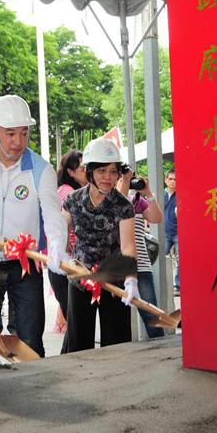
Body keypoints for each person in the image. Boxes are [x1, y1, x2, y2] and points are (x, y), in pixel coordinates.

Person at [0, 94, 69, 369]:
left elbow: (53, 215)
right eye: (10, 134)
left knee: (30, 338)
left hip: (25, 264)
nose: (18, 141)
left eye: (24, 133)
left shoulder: (41, 169)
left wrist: (56, 248)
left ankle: (34, 396)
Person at [62, 138, 139, 352]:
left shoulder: (124, 206)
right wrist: (60, 254)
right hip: (81, 279)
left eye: (114, 171)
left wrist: (131, 280)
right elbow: (60, 231)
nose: (108, 177)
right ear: (89, 172)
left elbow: (128, 246)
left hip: (114, 282)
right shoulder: (73, 200)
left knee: (117, 345)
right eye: (102, 170)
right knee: (78, 344)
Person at [118, 167, 165, 339]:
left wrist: (148, 193)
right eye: (123, 177)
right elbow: (118, 204)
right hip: (118, 269)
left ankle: (161, 352)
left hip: (142, 266)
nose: (127, 180)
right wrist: (124, 181)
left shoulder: (138, 201)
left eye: (130, 178)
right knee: (118, 320)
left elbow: (157, 218)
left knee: (151, 316)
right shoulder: (111, 201)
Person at [53, 150, 87, 343]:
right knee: (75, 322)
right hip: (68, 264)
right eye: (82, 168)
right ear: (70, 172)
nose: (87, 171)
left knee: (76, 323)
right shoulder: (69, 192)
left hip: (72, 263)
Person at [163, 169, 179, 296]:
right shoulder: (160, 193)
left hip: (178, 231)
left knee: (181, 259)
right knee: (159, 257)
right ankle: (161, 281)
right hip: (164, 231)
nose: (173, 181)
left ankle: (178, 285)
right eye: (171, 179)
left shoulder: (181, 195)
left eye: (175, 179)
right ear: (166, 180)